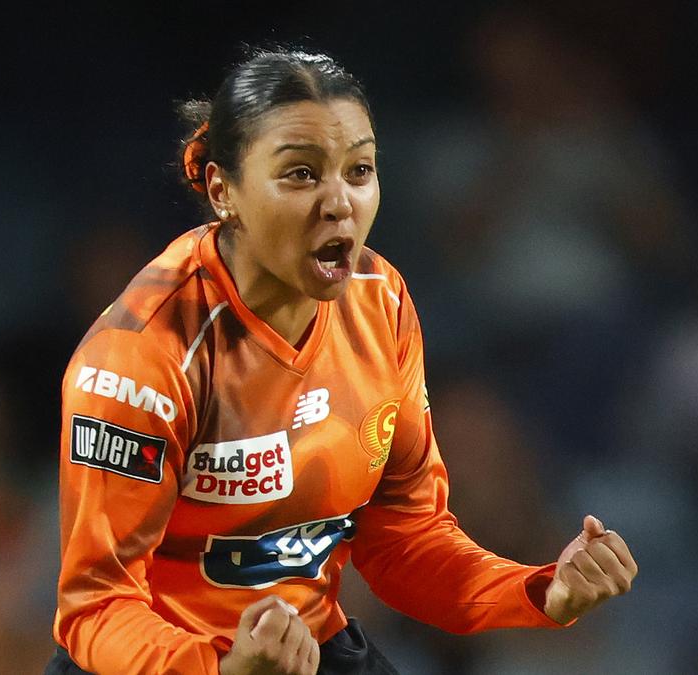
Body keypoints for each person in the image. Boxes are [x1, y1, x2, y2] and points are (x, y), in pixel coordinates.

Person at [45, 48, 637, 675]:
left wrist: (541, 592)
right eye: (301, 174)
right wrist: (220, 669)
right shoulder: (141, 355)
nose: (339, 203)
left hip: (308, 650)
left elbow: (405, 543)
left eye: (359, 170)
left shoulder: (381, 302)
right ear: (223, 190)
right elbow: (96, 607)